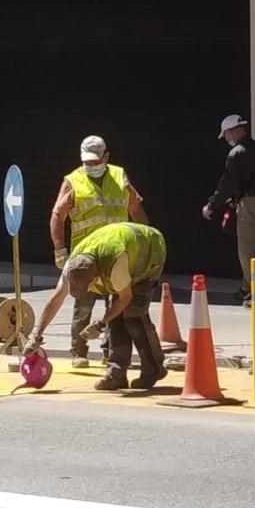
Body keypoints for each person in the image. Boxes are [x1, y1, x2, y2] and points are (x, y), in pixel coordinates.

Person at [31, 222, 169, 392]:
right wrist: (37, 335)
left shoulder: (115, 264)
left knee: (134, 315)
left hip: (149, 250)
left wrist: (100, 324)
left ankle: (154, 369)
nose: (89, 291)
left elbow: (126, 298)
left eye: (87, 287)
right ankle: (116, 375)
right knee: (116, 318)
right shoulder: (72, 266)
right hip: (122, 246)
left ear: (95, 277)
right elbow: (56, 299)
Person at [50, 135, 148, 368]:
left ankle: (109, 351)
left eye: (95, 161)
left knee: (114, 305)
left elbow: (136, 210)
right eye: (87, 162)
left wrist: (144, 240)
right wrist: (60, 251)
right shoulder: (72, 181)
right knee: (83, 304)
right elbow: (57, 215)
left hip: (116, 256)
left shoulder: (119, 176)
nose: (91, 166)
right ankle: (79, 351)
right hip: (85, 258)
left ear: (106, 157)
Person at [202, 114, 255, 306]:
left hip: (249, 205)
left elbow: (227, 183)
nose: (226, 138)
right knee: (251, 247)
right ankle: (246, 289)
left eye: (226, 134)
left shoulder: (236, 154)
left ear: (233, 131)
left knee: (246, 251)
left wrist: (212, 205)